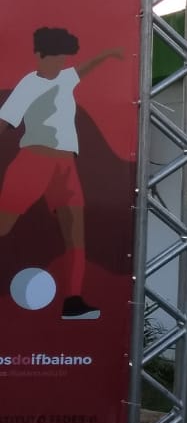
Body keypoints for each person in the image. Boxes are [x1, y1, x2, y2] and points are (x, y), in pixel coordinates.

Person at [0, 27, 124, 320]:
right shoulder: (28, 85)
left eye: (63, 59)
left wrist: (108, 54)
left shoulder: (65, 78)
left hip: (65, 167)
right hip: (33, 162)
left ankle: (73, 301)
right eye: (55, 58)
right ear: (39, 55)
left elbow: (83, 69)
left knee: (76, 236)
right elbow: (4, 121)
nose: (60, 64)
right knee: (3, 226)